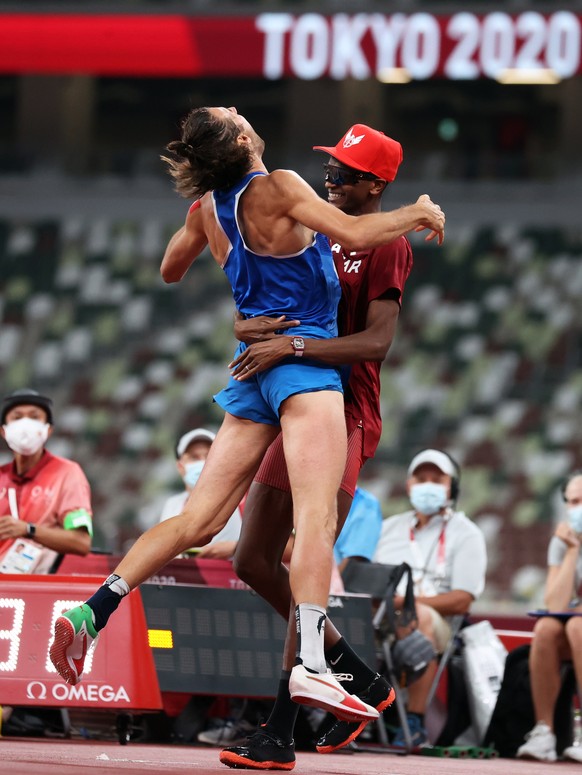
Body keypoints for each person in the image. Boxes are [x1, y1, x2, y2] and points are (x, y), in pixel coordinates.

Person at [49, 107, 445, 729]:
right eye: (231, 114)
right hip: (302, 369)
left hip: (247, 371)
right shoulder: (283, 186)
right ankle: (313, 662)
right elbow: (358, 233)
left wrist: (242, 280)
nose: (240, 110)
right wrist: (421, 211)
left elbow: (168, 270)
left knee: (195, 522)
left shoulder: (210, 206)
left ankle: (92, 610)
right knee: (314, 520)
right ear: (239, 139)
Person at [218, 124, 416, 769]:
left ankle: (280, 727)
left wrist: (295, 347)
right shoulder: (316, 223)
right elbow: (277, 297)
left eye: (346, 172)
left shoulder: (383, 246)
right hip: (294, 400)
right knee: (251, 558)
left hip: (345, 410)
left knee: (307, 546)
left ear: (377, 185)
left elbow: (376, 344)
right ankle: (359, 673)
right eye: (330, 166)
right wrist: (253, 326)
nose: (331, 178)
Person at [372, 448, 487, 748]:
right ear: (409, 485)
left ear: (452, 487)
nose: (428, 484)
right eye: (421, 478)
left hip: (438, 624)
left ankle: (413, 720)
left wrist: (408, 604)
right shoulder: (387, 529)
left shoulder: (467, 534)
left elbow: (463, 600)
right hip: (383, 616)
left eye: (437, 479)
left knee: (419, 617)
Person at [0, 388, 93, 730]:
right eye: (16, 416)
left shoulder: (67, 475)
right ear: (3, 430)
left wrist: (27, 529)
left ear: (48, 430)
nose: (26, 423)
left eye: (35, 417)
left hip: (31, 599)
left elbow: (81, 542)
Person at [517, 471, 582, 764]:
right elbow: (555, 603)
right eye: (572, 502)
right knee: (545, 628)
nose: (576, 508)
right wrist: (572, 552)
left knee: (578, 627)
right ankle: (545, 732)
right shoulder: (564, 539)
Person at [160, 427, 242, 559]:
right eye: (194, 457)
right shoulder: (172, 505)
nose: (202, 462)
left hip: (230, 577)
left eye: (209, 455)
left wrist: (236, 548)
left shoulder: (240, 499)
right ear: (180, 466)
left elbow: (280, 548)